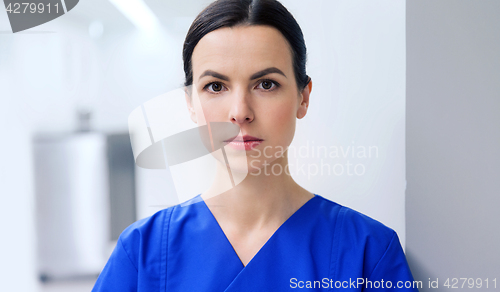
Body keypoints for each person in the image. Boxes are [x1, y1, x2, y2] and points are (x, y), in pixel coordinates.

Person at [92, 0, 419, 291]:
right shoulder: (142, 253)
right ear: (190, 103)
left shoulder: (367, 253)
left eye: (266, 84)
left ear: (303, 98)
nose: (240, 112)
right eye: (216, 86)